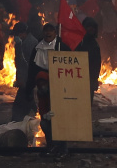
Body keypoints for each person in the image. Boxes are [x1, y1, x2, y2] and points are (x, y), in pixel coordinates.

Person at [25, 23, 70, 157]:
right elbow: (32, 70)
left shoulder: (62, 47)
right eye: (46, 30)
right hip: (42, 84)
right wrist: (30, 88)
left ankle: (62, 148)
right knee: (45, 122)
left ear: (55, 32)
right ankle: (51, 145)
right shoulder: (38, 48)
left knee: (61, 119)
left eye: (51, 30)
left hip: (60, 87)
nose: (48, 33)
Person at [11, 22, 38, 122]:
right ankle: (34, 113)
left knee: (19, 104)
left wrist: (24, 80)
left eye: (16, 34)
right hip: (25, 79)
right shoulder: (25, 42)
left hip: (27, 78)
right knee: (28, 100)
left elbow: (25, 63)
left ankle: (16, 121)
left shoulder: (30, 43)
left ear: (22, 33)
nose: (15, 37)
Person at [75, 17, 101, 102]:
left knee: (87, 103)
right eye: (88, 26)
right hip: (77, 75)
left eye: (93, 27)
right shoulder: (78, 42)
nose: (91, 29)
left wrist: (95, 79)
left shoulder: (95, 45)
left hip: (89, 78)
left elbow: (97, 64)